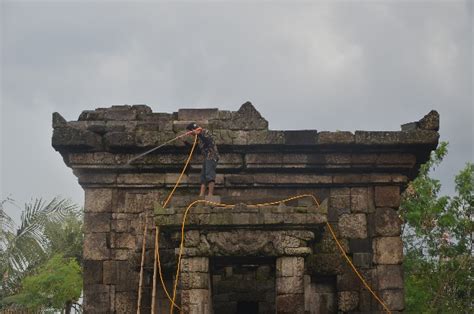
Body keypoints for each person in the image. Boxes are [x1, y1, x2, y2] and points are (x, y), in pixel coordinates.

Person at [185, 122, 219, 197]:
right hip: (206, 157)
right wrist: (183, 141)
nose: (190, 134)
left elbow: (208, 141)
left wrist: (199, 133)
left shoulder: (205, 132)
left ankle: (210, 194)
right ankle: (201, 195)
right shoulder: (198, 138)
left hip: (212, 156)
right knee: (203, 176)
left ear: (192, 130)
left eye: (190, 132)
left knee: (209, 174)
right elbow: (194, 149)